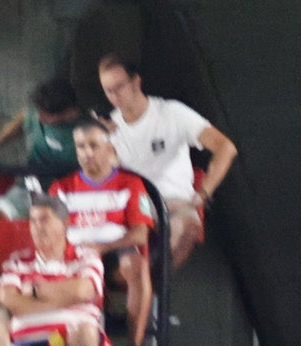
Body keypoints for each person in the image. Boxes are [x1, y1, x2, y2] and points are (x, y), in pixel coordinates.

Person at [95, 54, 232, 274]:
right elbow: (102, 178)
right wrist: (101, 145)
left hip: (174, 203)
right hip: (131, 208)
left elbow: (225, 148)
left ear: (136, 82)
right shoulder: (109, 127)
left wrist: (204, 193)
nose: (114, 95)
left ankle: (153, 291)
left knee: (184, 227)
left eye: (119, 87)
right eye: (108, 90)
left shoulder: (171, 113)